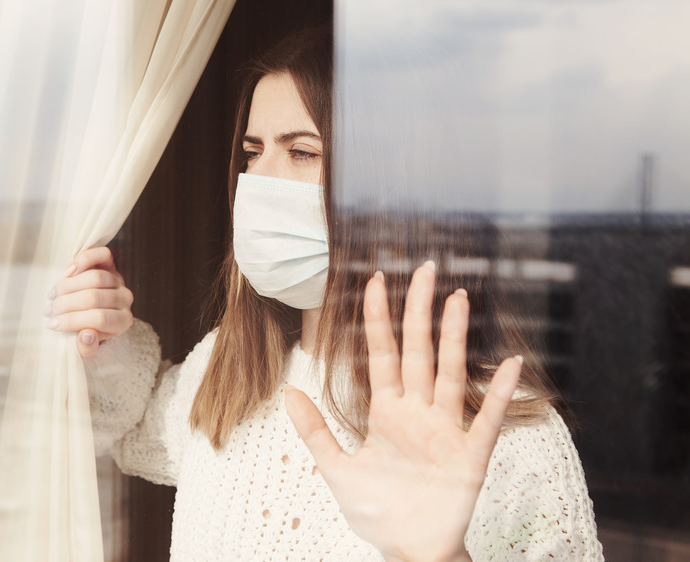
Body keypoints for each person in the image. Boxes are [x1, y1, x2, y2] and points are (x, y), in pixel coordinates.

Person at [44, 27, 603, 561]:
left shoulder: (512, 441)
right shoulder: (227, 372)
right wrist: (106, 337)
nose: (259, 181)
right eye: (253, 152)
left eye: (303, 152)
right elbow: (133, 428)